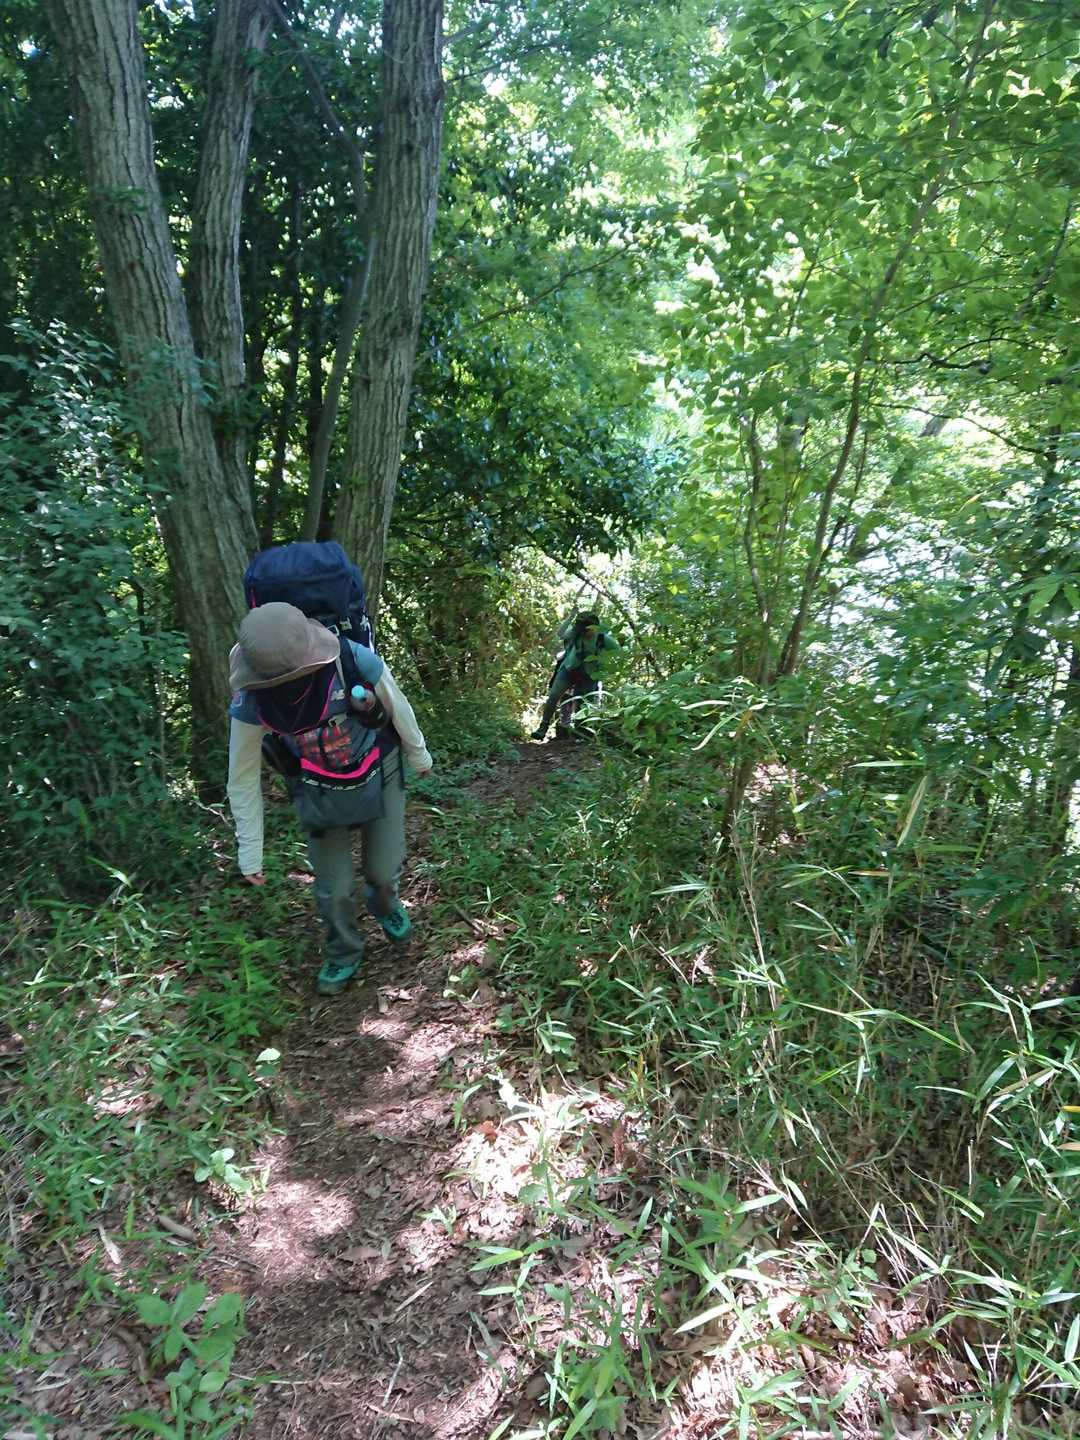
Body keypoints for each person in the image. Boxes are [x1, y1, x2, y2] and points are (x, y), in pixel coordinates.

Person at [226, 601, 432, 996]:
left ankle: (385, 906)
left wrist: (418, 754)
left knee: (383, 870)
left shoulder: (352, 660)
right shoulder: (250, 701)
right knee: (333, 888)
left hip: (379, 768)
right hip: (315, 785)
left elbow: (397, 705)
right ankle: (344, 952)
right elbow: (242, 775)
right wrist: (250, 850)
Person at [530, 609, 620, 741]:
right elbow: (560, 634)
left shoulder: (603, 639)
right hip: (569, 668)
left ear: (595, 627)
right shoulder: (576, 633)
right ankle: (543, 728)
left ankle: (580, 734)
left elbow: (619, 652)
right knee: (554, 695)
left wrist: (603, 664)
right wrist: (571, 616)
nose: (584, 632)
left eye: (587, 629)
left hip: (590, 674)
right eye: (582, 629)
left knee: (582, 705)